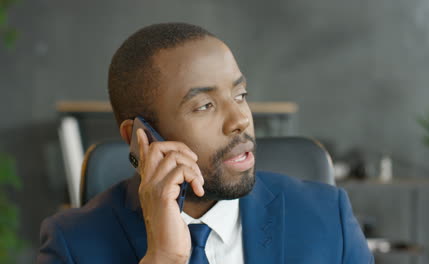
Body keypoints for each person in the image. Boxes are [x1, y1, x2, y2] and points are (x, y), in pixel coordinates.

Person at [37, 22, 374, 264]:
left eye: (240, 95)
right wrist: (164, 259)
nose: (240, 120)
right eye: (204, 106)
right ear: (140, 138)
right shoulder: (72, 244)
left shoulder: (328, 216)